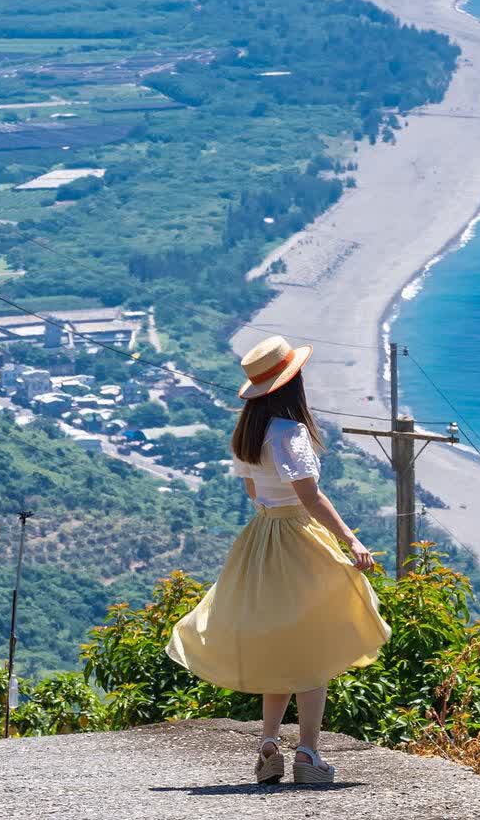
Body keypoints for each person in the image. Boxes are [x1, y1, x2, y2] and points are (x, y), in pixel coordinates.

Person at [165, 334, 391, 787]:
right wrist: (350, 540)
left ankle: (269, 745)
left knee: (280, 645)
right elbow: (310, 497)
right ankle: (308, 752)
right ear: (293, 385)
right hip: (297, 539)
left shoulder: (248, 434)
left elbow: (254, 493)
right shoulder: (291, 433)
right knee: (314, 645)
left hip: (261, 539)